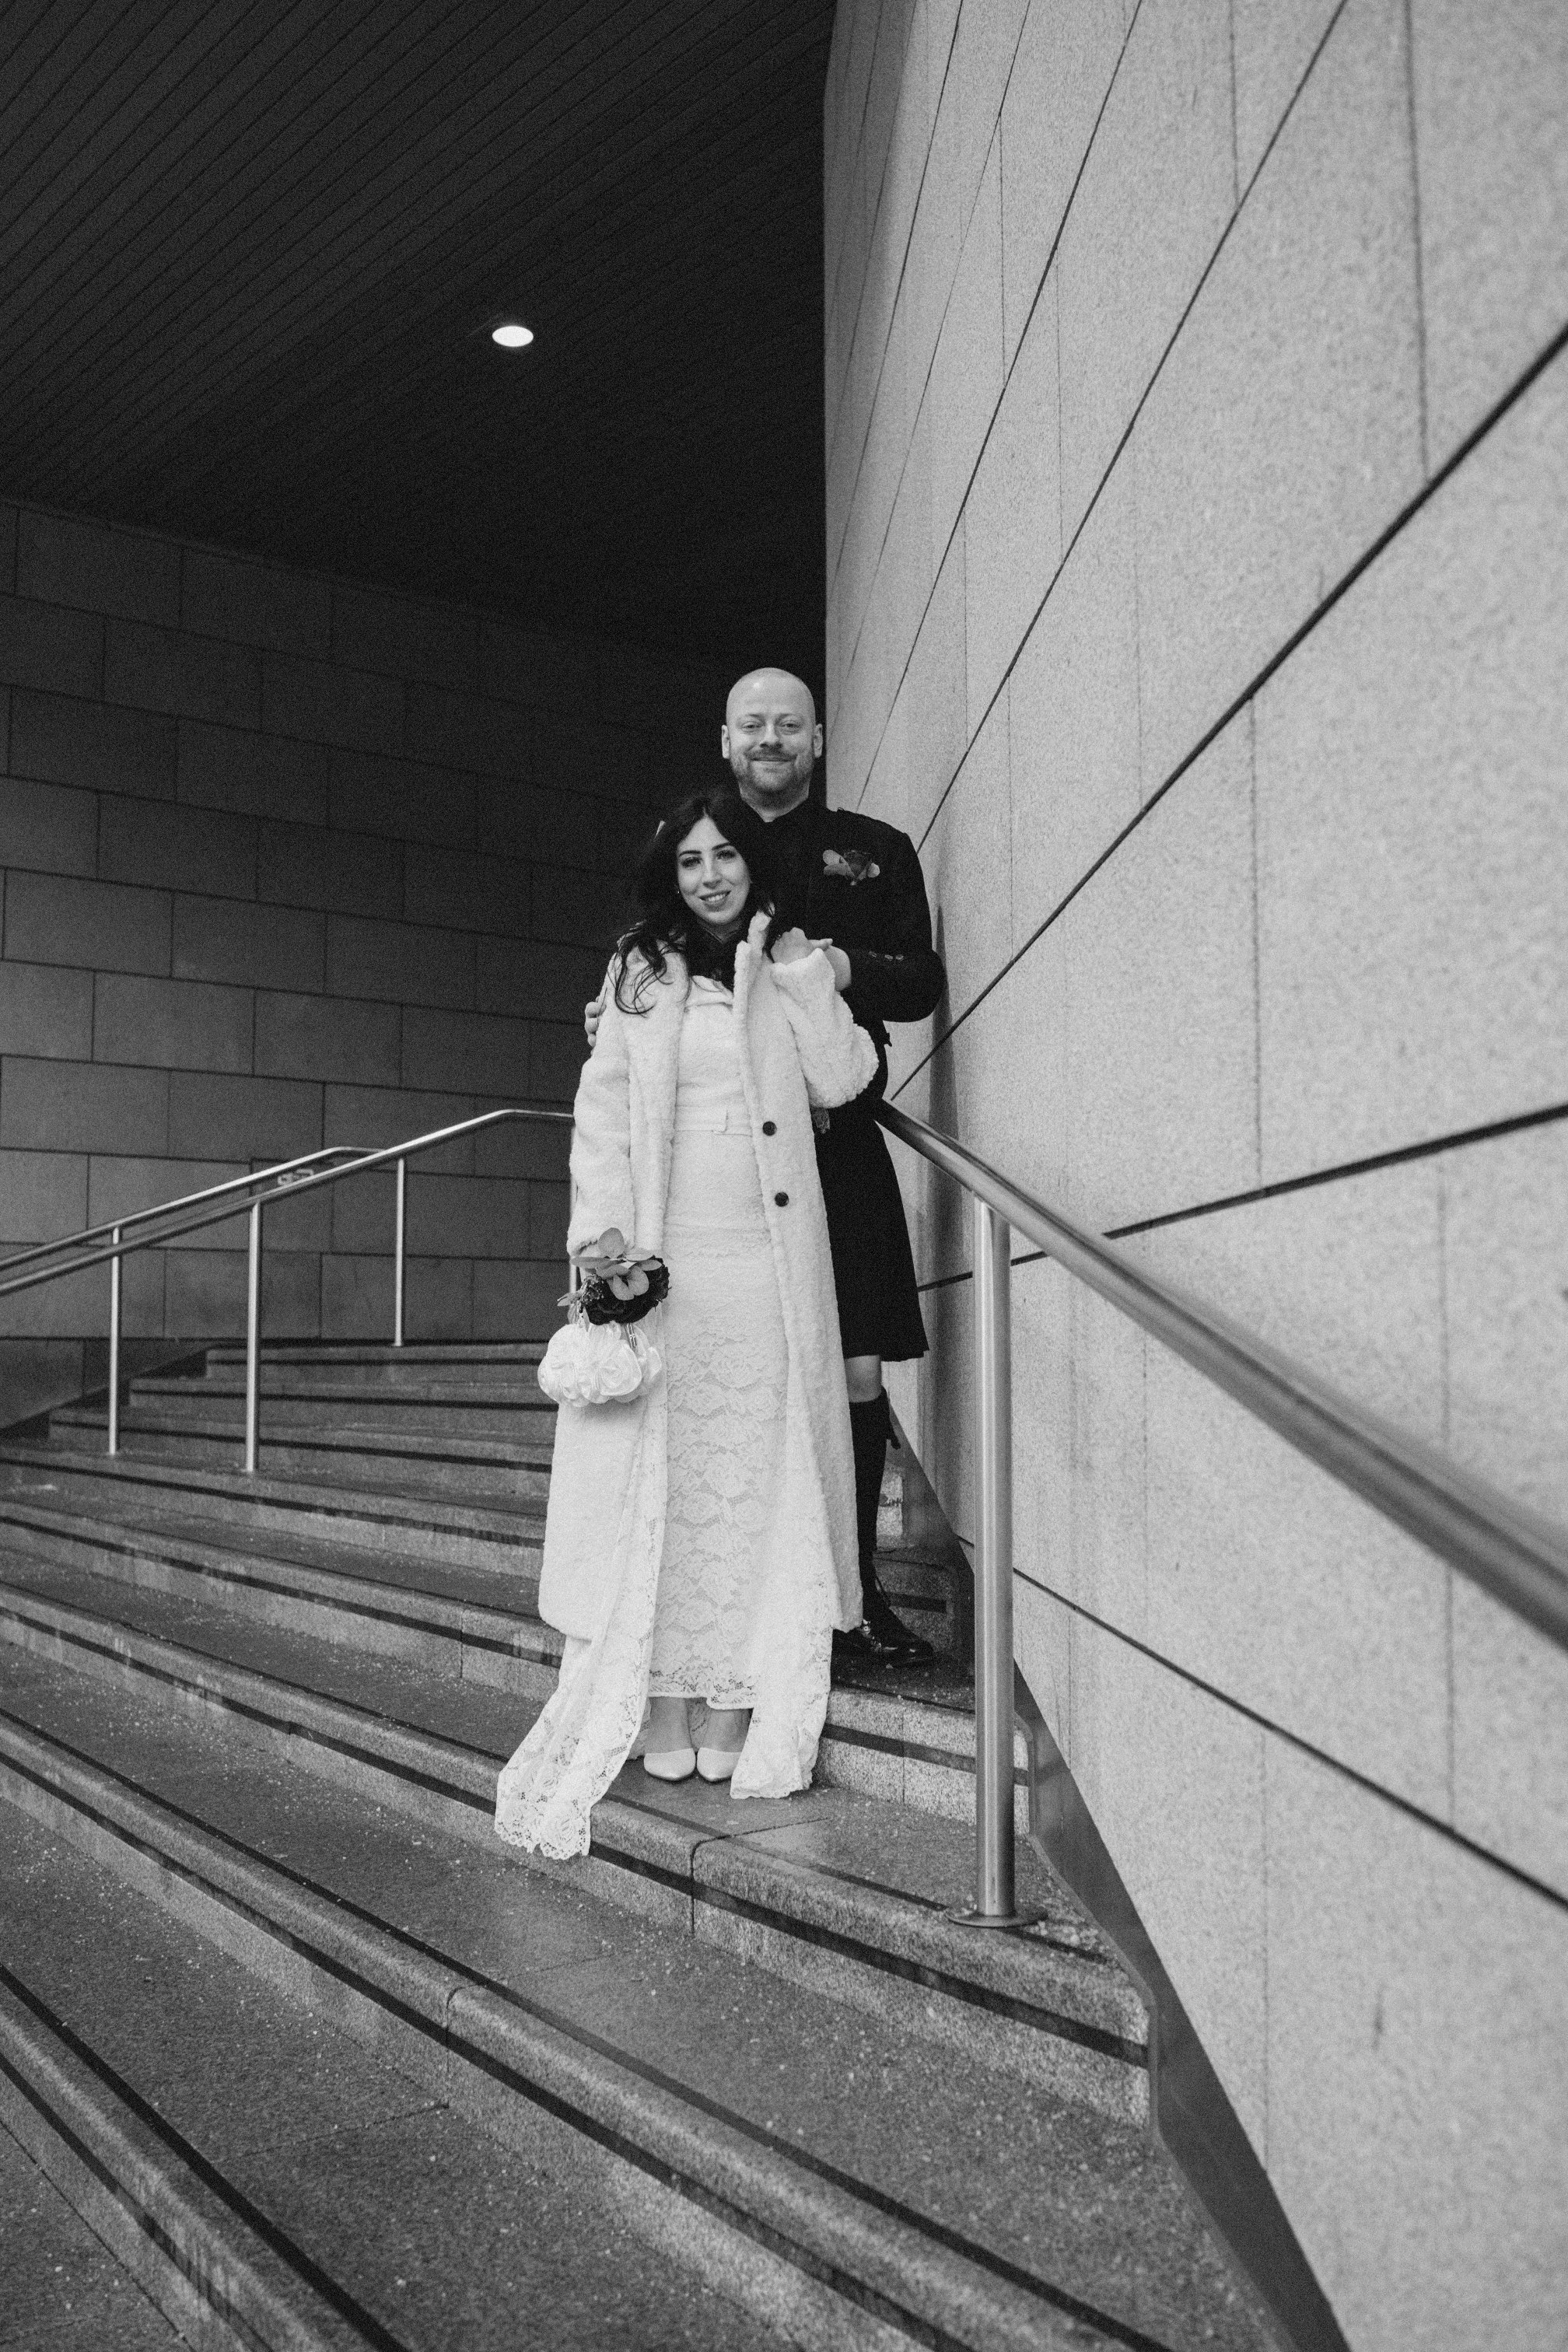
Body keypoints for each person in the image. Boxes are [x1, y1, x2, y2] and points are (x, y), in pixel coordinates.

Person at [495, 786, 877, 1860]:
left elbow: (845, 1077)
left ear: (755, 864)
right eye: (692, 861)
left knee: (749, 1482)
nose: (710, 877)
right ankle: (660, 1692)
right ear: (673, 874)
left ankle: (735, 1692)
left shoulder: (785, 960)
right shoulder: (640, 970)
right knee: (664, 1476)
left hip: (767, 1267)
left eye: (727, 857)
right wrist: (602, 1246)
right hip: (669, 1265)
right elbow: (602, 1114)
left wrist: (802, 969)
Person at [585, 667, 946, 1668]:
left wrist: (830, 966)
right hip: (724, 1168)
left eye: (790, 724)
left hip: (836, 1137)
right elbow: (647, 981)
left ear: (819, 738)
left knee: (856, 1368)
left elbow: (920, 982)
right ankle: (738, 1598)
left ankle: (854, 1597)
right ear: (727, 739)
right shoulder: (705, 843)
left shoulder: (876, 849)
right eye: (754, 725)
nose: (772, 739)